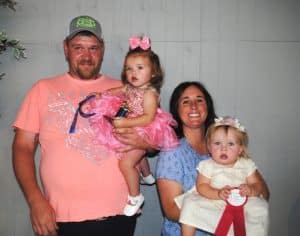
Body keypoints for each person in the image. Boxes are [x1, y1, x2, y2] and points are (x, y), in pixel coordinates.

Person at [12, 15, 152, 236]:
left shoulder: (126, 89)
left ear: (103, 49)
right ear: (66, 48)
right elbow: (22, 147)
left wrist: (145, 145)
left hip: (119, 213)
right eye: (78, 47)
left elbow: (154, 134)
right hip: (60, 217)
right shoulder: (42, 89)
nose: (87, 56)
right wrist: (35, 200)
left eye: (93, 48)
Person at [155, 81, 270, 236]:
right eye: (186, 101)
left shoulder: (224, 143)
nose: (194, 106)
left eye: (199, 100)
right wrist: (224, 220)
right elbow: (171, 210)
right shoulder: (172, 152)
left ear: (207, 106)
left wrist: (249, 191)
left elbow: (264, 193)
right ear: (177, 109)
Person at [81, 35, 178, 216]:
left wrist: (126, 122)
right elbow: (115, 91)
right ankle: (147, 175)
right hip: (134, 125)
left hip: (147, 129)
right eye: (129, 69)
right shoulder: (130, 88)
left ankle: (135, 196)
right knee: (131, 149)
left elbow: (148, 118)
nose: (133, 73)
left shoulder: (150, 93)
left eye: (140, 68)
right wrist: (101, 95)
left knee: (126, 163)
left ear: (154, 72)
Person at [176, 116, 269, 236]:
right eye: (217, 143)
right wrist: (217, 193)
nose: (223, 148)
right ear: (209, 147)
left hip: (242, 202)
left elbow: (257, 184)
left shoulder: (246, 164)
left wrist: (251, 189)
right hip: (215, 200)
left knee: (260, 208)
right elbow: (202, 186)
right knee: (190, 203)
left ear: (240, 149)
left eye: (230, 144)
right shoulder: (207, 165)